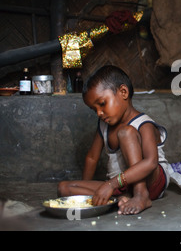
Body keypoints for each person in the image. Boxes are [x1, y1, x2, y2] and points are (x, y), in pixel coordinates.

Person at [58, 65, 169, 215]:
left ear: (123, 92)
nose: (99, 113)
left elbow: (151, 163)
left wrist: (111, 184)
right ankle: (122, 199)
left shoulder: (144, 124)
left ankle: (141, 195)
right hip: (122, 185)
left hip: (152, 182)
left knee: (126, 133)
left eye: (102, 104)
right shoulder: (104, 125)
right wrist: (85, 196)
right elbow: (91, 158)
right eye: (94, 109)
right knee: (64, 188)